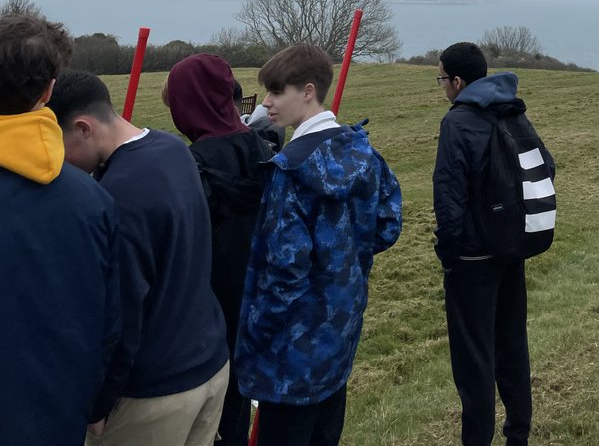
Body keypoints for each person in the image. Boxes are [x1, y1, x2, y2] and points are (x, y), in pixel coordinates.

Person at [49, 70, 230, 446]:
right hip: (210, 364)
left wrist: (98, 404)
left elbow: (121, 316)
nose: (59, 161)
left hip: (154, 393)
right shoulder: (173, 149)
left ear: (83, 127)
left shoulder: (117, 196)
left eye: (59, 145)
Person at [235, 41, 402, 446]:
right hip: (341, 330)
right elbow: (387, 224)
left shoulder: (288, 171)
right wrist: (343, 262)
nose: (267, 104)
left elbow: (285, 273)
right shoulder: (364, 153)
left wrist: (253, 336)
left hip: (290, 352)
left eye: (277, 92)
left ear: (308, 91)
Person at [0, 14, 120, 446]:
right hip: (54, 415)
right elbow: (109, 325)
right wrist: (94, 405)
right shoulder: (93, 202)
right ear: (50, 90)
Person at [433, 41, 555, 446]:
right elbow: (546, 165)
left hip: (471, 259)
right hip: (510, 250)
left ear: (457, 80)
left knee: (474, 364)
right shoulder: (510, 109)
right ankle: (517, 435)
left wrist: (448, 255)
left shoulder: (458, 122)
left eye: (442, 79)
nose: (442, 88)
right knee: (512, 347)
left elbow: (448, 199)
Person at [166, 54, 274, 446]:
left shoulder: (190, 165)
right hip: (258, 297)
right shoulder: (264, 151)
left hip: (205, 310)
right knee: (237, 406)